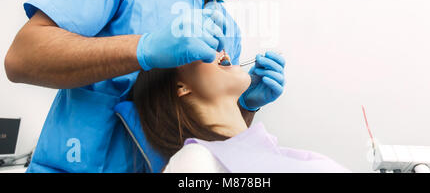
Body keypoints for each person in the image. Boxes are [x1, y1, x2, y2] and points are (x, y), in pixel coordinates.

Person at [4, 0, 289, 172]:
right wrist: (145, 48)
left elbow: (216, 131)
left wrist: (246, 107)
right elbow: (21, 59)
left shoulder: (230, 34)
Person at [131, 50, 350, 173]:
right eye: (200, 51)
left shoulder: (268, 153)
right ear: (181, 86)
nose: (221, 51)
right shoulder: (195, 160)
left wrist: (248, 107)